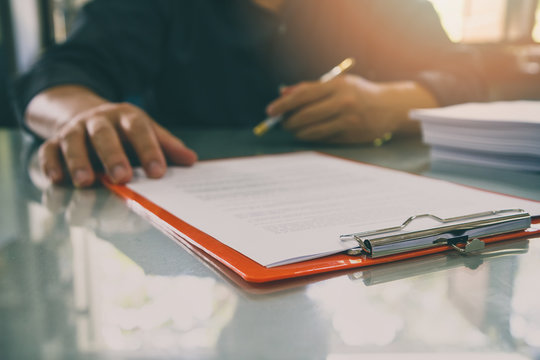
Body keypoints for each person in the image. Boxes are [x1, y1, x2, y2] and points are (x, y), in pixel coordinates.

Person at [14, 0, 486, 187]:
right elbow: (55, 75)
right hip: (191, 193)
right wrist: (83, 116)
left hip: (366, 200)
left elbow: (468, 76)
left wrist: (398, 103)